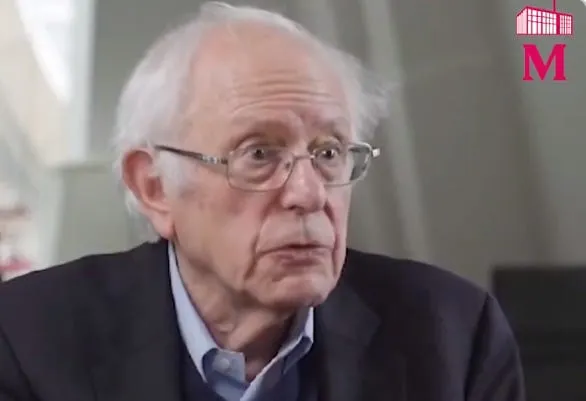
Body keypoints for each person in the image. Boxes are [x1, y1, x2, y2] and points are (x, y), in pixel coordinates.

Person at [0, 2, 525, 401]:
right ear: (154, 187)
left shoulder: (454, 337)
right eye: (258, 154)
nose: (308, 193)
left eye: (328, 153)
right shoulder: (26, 340)